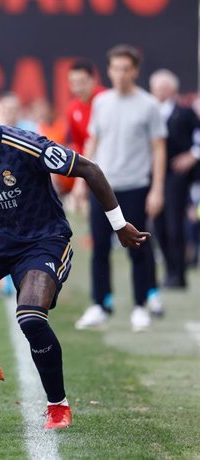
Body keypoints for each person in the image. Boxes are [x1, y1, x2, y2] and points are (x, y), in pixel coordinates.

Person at [0, 81, 150, 430]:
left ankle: (58, 406)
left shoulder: (24, 146)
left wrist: (118, 224)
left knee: (30, 318)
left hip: (44, 239)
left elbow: (90, 169)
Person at [74, 44, 167, 331]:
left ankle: (140, 306)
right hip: (104, 187)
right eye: (115, 68)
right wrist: (80, 180)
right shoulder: (101, 102)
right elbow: (93, 142)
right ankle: (100, 304)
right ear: (109, 70)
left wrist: (157, 189)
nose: (121, 74)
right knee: (99, 247)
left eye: (126, 69)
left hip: (136, 185)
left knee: (137, 248)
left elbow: (159, 149)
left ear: (135, 71)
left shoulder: (149, 105)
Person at [149, 69, 200, 290]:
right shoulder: (149, 112)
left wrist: (192, 155)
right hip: (151, 174)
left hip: (175, 175)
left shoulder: (185, 112)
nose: (159, 91)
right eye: (156, 87)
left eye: (163, 86)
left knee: (174, 224)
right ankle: (169, 270)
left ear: (172, 88)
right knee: (157, 225)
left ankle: (178, 273)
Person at [63, 59, 106, 196]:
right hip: (95, 171)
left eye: (82, 82)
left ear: (93, 80)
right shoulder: (72, 109)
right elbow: (80, 145)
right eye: (73, 83)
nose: (77, 88)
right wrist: (81, 179)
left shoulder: (106, 99)